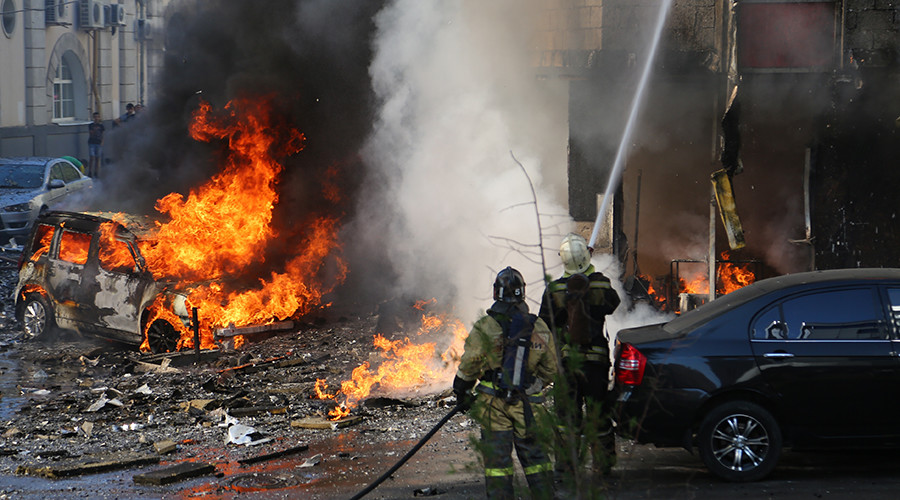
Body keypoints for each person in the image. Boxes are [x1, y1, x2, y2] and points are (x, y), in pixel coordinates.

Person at [453, 267, 558, 500]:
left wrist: (461, 390)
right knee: (537, 461)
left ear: (495, 293)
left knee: (498, 465)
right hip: (529, 408)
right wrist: (534, 384)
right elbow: (551, 369)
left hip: (494, 407)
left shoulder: (485, 326)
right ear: (522, 294)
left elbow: (470, 363)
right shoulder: (538, 326)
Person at [539, 233, 620, 479]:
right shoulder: (601, 284)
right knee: (598, 415)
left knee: (566, 419)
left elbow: (545, 324)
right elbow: (612, 305)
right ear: (586, 256)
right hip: (596, 364)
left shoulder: (554, 289)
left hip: (567, 364)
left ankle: (566, 467)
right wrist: (592, 272)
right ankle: (602, 466)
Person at [87, 112, 104, 177]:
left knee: (98, 158)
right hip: (92, 142)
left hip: (98, 143)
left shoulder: (101, 126)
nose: (96, 118)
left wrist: (102, 142)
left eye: (97, 117)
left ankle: (96, 172)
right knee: (92, 157)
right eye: (95, 117)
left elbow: (102, 134)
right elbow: (91, 133)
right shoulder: (91, 125)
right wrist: (94, 130)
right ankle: (90, 171)